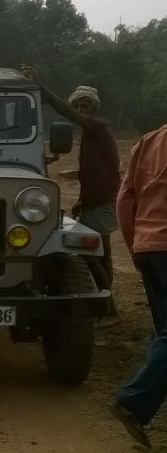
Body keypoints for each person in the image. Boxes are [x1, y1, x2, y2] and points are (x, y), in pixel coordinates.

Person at [21, 65, 122, 326]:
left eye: (85, 105)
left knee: (97, 253)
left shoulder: (98, 127)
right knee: (97, 253)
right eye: (77, 106)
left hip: (102, 201)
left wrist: (40, 86)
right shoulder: (90, 135)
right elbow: (91, 175)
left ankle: (110, 309)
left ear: (94, 108)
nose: (80, 110)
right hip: (94, 200)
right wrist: (81, 202)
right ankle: (107, 306)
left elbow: (64, 111)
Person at [108, 123, 167, 450]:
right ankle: (134, 403)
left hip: (149, 247)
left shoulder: (148, 140)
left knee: (163, 334)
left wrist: (135, 246)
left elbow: (124, 198)